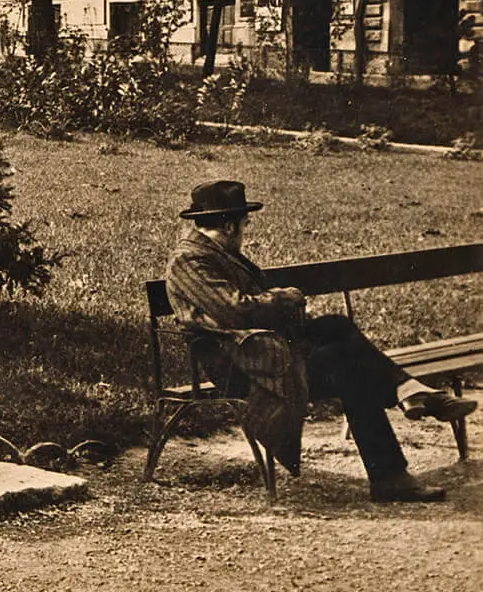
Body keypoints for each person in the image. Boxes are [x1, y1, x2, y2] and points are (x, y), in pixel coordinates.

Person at [165, 180, 475, 503]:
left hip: (264, 352)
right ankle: (394, 454)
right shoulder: (190, 260)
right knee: (347, 366)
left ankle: (407, 399)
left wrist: (286, 312)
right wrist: (282, 298)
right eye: (244, 223)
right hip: (238, 366)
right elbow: (236, 311)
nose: (246, 230)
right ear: (229, 225)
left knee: (336, 326)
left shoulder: (217, 253)